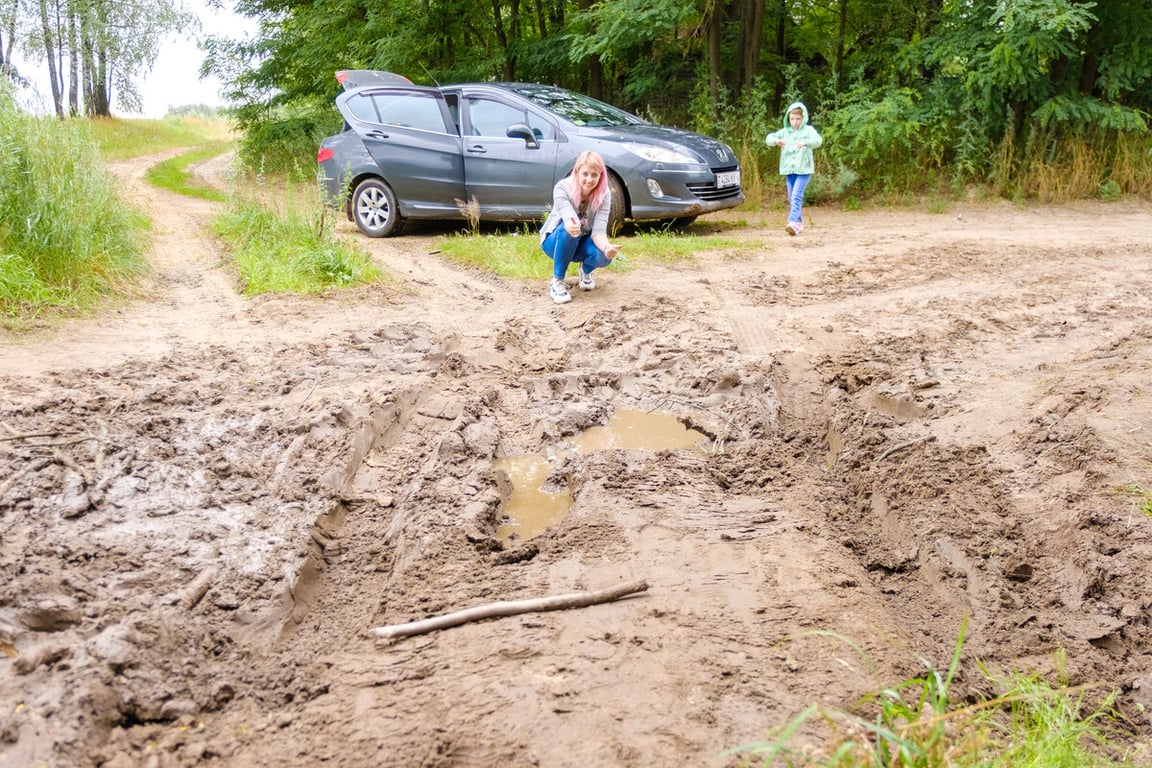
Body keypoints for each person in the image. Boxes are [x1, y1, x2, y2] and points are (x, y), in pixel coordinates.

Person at [539, 151, 621, 304]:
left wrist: (607, 248)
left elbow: (598, 233)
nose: (589, 179)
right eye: (585, 174)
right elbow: (569, 219)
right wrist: (571, 225)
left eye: (594, 175)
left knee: (604, 257)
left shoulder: (604, 195)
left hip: (583, 241)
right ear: (576, 172)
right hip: (556, 241)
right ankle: (557, 281)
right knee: (568, 230)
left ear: (601, 176)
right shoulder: (562, 188)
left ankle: (585, 271)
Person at [765, 101, 823, 236]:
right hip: (788, 170)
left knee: (796, 195)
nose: (795, 122)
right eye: (792, 119)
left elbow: (818, 141)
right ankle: (798, 224)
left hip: (804, 170)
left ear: (803, 118)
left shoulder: (808, 130)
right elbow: (769, 138)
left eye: (798, 119)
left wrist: (805, 143)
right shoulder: (784, 132)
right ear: (788, 118)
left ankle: (792, 221)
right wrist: (776, 141)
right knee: (792, 198)